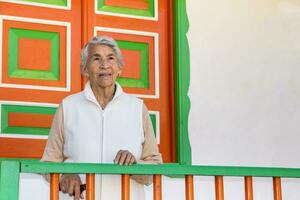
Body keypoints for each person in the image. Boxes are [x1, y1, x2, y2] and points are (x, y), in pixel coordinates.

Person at [41, 36, 162, 200]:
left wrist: (135, 166)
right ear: (85, 69)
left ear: (119, 68)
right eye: (96, 58)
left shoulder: (138, 108)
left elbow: (155, 167)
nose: (104, 65)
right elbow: (48, 163)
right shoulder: (68, 107)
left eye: (111, 58)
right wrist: (63, 175)